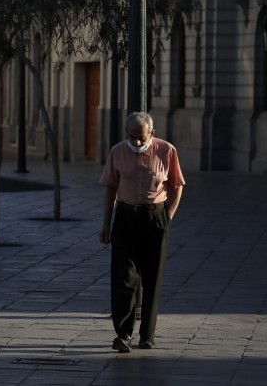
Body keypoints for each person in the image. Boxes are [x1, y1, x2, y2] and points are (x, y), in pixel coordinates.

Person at [99, 111, 185, 352]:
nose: (136, 142)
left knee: (151, 278)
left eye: (141, 137)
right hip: (125, 217)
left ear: (152, 134)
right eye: (131, 137)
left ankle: (147, 335)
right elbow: (109, 189)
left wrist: (167, 217)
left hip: (155, 216)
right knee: (124, 277)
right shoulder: (117, 151)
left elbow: (177, 187)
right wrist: (106, 223)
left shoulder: (166, 151)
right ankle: (123, 334)